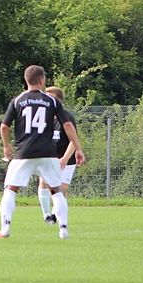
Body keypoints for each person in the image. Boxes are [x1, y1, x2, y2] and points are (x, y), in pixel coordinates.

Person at [0, 66, 84, 240]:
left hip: (24, 152)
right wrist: (78, 148)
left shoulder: (17, 100)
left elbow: (4, 126)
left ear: (26, 80)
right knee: (57, 191)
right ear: (42, 81)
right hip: (48, 153)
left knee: (11, 189)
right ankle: (63, 230)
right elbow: (67, 125)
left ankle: (5, 229)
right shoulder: (52, 101)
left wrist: (6, 146)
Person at [37, 86, 86, 224]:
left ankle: (54, 216)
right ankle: (47, 215)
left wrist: (64, 158)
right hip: (49, 158)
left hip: (67, 160)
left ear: (58, 100)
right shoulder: (44, 117)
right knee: (43, 183)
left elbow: (73, 140)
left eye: (49, 97)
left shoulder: (66, 117)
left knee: (61, 190)